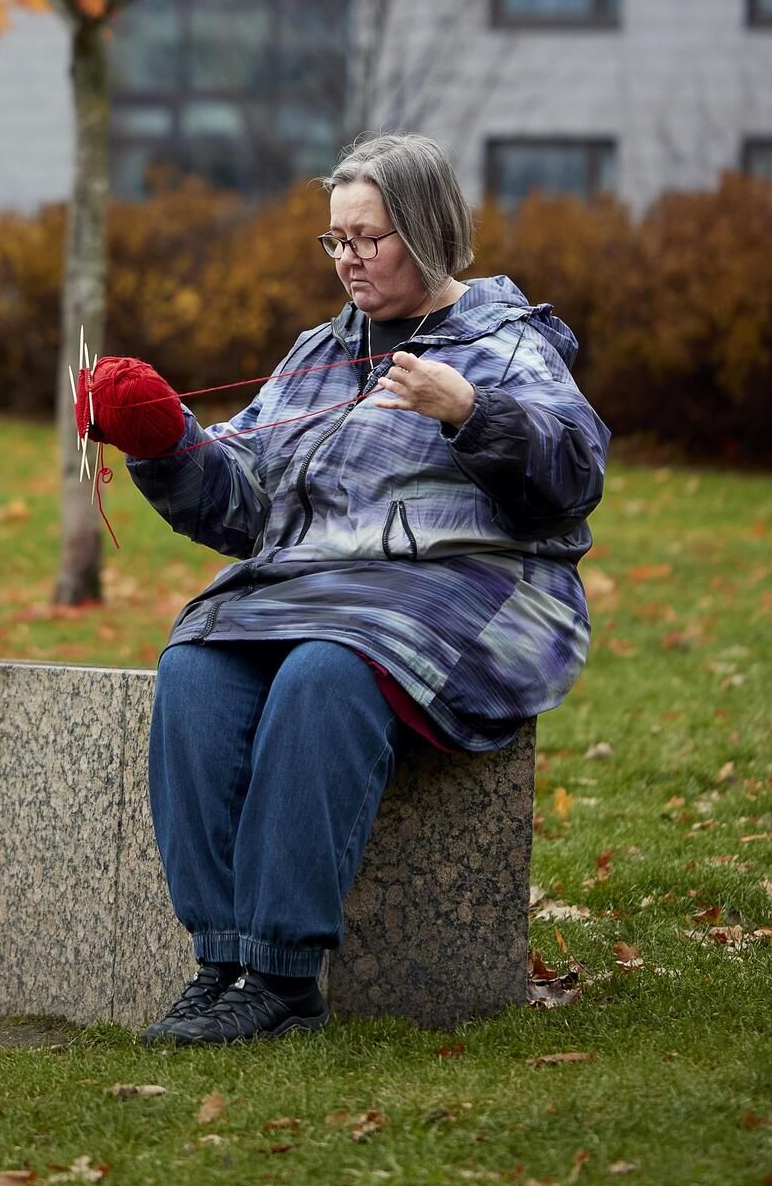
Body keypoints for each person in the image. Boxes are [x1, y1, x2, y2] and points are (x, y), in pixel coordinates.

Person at [95, 132, 609, 1047]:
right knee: (194, 668)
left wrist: (470, 411)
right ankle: (222, 963)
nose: (347, 259)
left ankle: (284, 980)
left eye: (368, 237)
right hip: (317, 587)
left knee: (325, 674)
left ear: (426, 229)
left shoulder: (505, 343)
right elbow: (245, 507)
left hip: (472, 589)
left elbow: (574, 475)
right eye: (335, 239)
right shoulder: (318, 352)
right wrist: (164, 440)